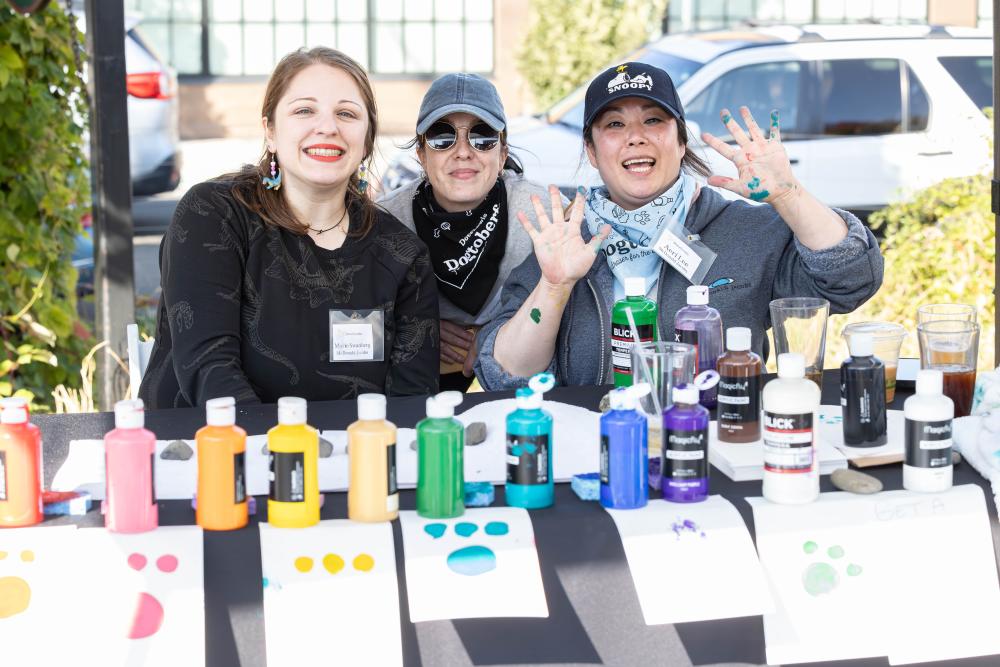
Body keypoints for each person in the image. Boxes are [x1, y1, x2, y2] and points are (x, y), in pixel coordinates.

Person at [475, 62, 884, 389]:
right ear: (592, 152)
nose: (636, 137)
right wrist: (554, 286)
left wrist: (789, 195)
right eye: (614, 125)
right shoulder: (566, 240)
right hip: (597, 444)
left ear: (681, 141)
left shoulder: (749, 230)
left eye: (654, 120)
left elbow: (850, 281)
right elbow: (505, 374)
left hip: (719, 440)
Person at [139, 47, 438, 408]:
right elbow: (210, 373)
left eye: (346, 113)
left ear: (367, 140)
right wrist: (288, 459)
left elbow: (413, 403)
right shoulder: (213, 215)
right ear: (270, 131)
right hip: (208, 453)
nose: (327, 127)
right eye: (304, 110)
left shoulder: (401, 254)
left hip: (359, 457)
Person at [379, 73, 551, 391]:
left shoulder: (544, 211)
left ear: (502, 154)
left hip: (517, 390)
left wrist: (494, 333)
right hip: (415, 389)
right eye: (443, 137)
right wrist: (417, 328)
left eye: (482, 137)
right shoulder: (387, 220)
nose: (462, 151)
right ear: (421, 154)